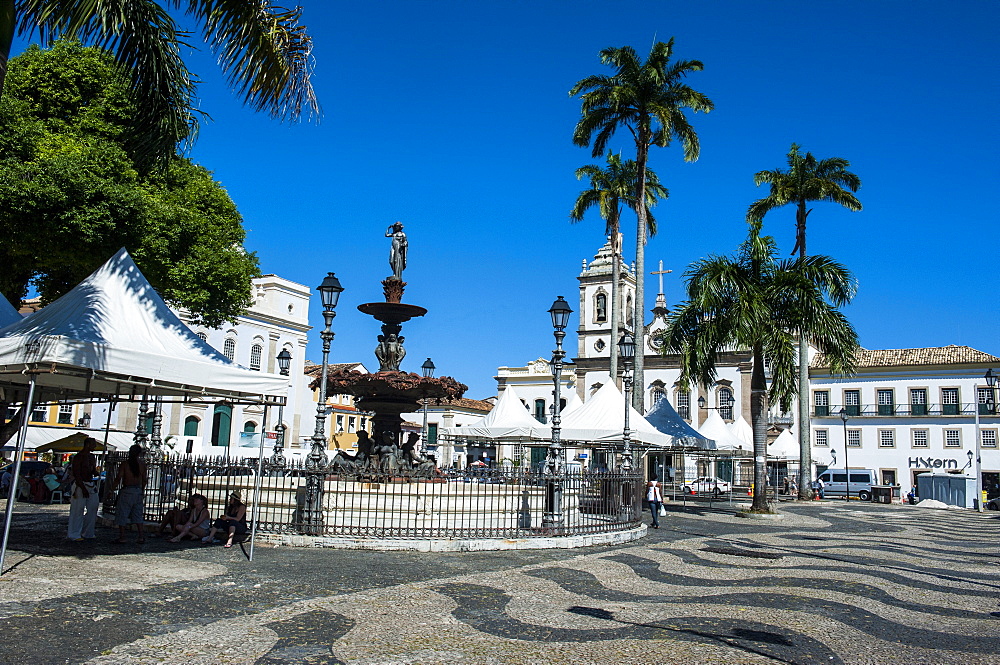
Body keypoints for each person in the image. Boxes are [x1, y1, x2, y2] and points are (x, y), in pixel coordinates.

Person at [109, 444, 147, 544]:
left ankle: (122, 536)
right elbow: (144, 480)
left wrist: (112, 490)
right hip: (137, 491)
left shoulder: (125, 464)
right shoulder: (142, 465)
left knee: (122, 514)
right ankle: (141, 536)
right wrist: (141, 490)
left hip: (127, 490)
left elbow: (118, 478)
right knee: (138, 514)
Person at [68, 437, 100, 541]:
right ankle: (74, 534)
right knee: (78, 510)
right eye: (93, 444)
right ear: (87, 445)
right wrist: (82, 488)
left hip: (90, 484)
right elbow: (77, 474)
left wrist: (95, 472)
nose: (95, 446)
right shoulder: (78, 457)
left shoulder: (92, 456)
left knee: (93, 508)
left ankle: (88, 532)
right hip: (80, 485)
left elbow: (92, 470)